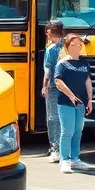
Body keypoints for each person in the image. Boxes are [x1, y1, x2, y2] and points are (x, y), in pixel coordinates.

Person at [53, 34, 94, 174]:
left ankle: (75, 159)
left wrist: (90, 100)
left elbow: (87, 82)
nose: (77, 47)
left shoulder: (84, 63)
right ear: (66, 47)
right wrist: (71, 96)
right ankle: (64, 160)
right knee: (67, 132)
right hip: (66, 103)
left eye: (79, 45)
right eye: (73, 45)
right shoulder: (62, 63)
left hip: (81, 103)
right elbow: (58, 82)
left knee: (78, 132)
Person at [40, 20, 65, 163]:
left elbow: (48, 70)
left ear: (54, 31)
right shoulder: (68, 46)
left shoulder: (51, 49)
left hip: (54, 87)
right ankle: (64, 148)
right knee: (65, 117)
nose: (46, 34)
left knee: (52, 117)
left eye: (48, 31)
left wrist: (45, 86)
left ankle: (54, 148)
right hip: (67, 87)